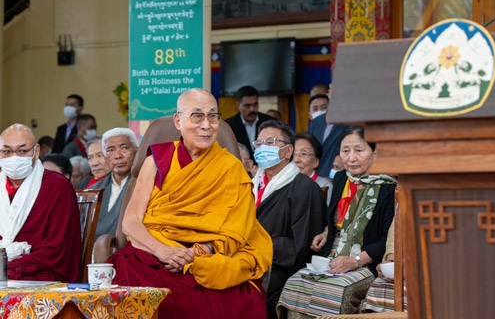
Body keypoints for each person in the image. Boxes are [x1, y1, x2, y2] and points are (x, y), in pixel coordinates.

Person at [109, 88, 272, 318]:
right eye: (197, 116)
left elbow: (237, 230)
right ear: (178, 120)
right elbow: (131, 222)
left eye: (213, 116)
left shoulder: (231, 167)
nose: (206, 125)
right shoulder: (156, 161)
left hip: (208, 257)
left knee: (236, 299)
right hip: (156, 253)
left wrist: (197, 252)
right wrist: (164, 252)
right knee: (130, 283)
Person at [277, 128, 397, 317]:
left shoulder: (389, 188)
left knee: (336, 290)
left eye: (359, 150)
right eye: (345, 151)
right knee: (295, 283)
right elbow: (335, 218)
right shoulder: (341, 178)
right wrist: (326, 232)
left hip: (365, 259)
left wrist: (354, 261)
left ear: (374, 153)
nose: (351, 158)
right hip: (333, 253)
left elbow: (385, 239)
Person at [252, 121, 326, 318]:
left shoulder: (304, 188)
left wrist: (257, 247)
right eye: (258, 144)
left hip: (279, 267)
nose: (262, 148)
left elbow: (301, 247)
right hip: (247, 258)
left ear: (288, 150)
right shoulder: (249, 185)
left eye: (270, 142)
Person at [0, 124, 81, 282]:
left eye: (22, 151)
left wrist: (12, 264)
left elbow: (58, 249)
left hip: (35, 269)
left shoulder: (57, 186)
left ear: (36, 152)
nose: (14, 157)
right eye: (6, 151)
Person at [89, 128, 138, 239]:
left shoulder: (144, 184)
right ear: (105, 156)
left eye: (124, 148)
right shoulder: (94, 190)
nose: (118, 156)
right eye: (111, 150)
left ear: (136, 151)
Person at [309, 93, 350, 182]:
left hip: (335, 174)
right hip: (314, 175)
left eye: (323, 107)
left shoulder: (348, 122)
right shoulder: (316, 122)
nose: (319, 110)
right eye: (315, 108)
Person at [225, 85, 274, 154]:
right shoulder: (229, 126)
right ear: (238, 105)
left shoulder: (270, 122)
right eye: (247, 106)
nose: (252, 109)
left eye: (255, 105)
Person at [294, 132, 333, 204]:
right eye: (294, 153)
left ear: (316, 162)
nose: (296, 160)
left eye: (304, 153)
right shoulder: (282, 182)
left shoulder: (324, 186)